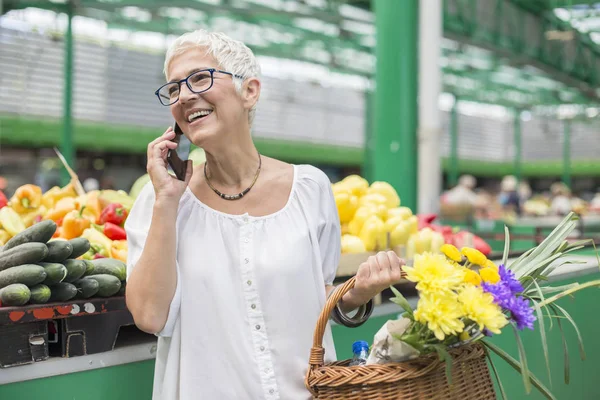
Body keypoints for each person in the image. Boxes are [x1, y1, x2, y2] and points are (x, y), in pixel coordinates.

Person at [124, 29, 405, 400]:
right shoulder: (160, 201)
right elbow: (149, 316)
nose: (185, 95)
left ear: (249, 91)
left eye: (199, 78)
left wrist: (356, 293)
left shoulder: (309, 189)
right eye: (174, 89)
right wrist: (166, 202)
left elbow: (310, 295)